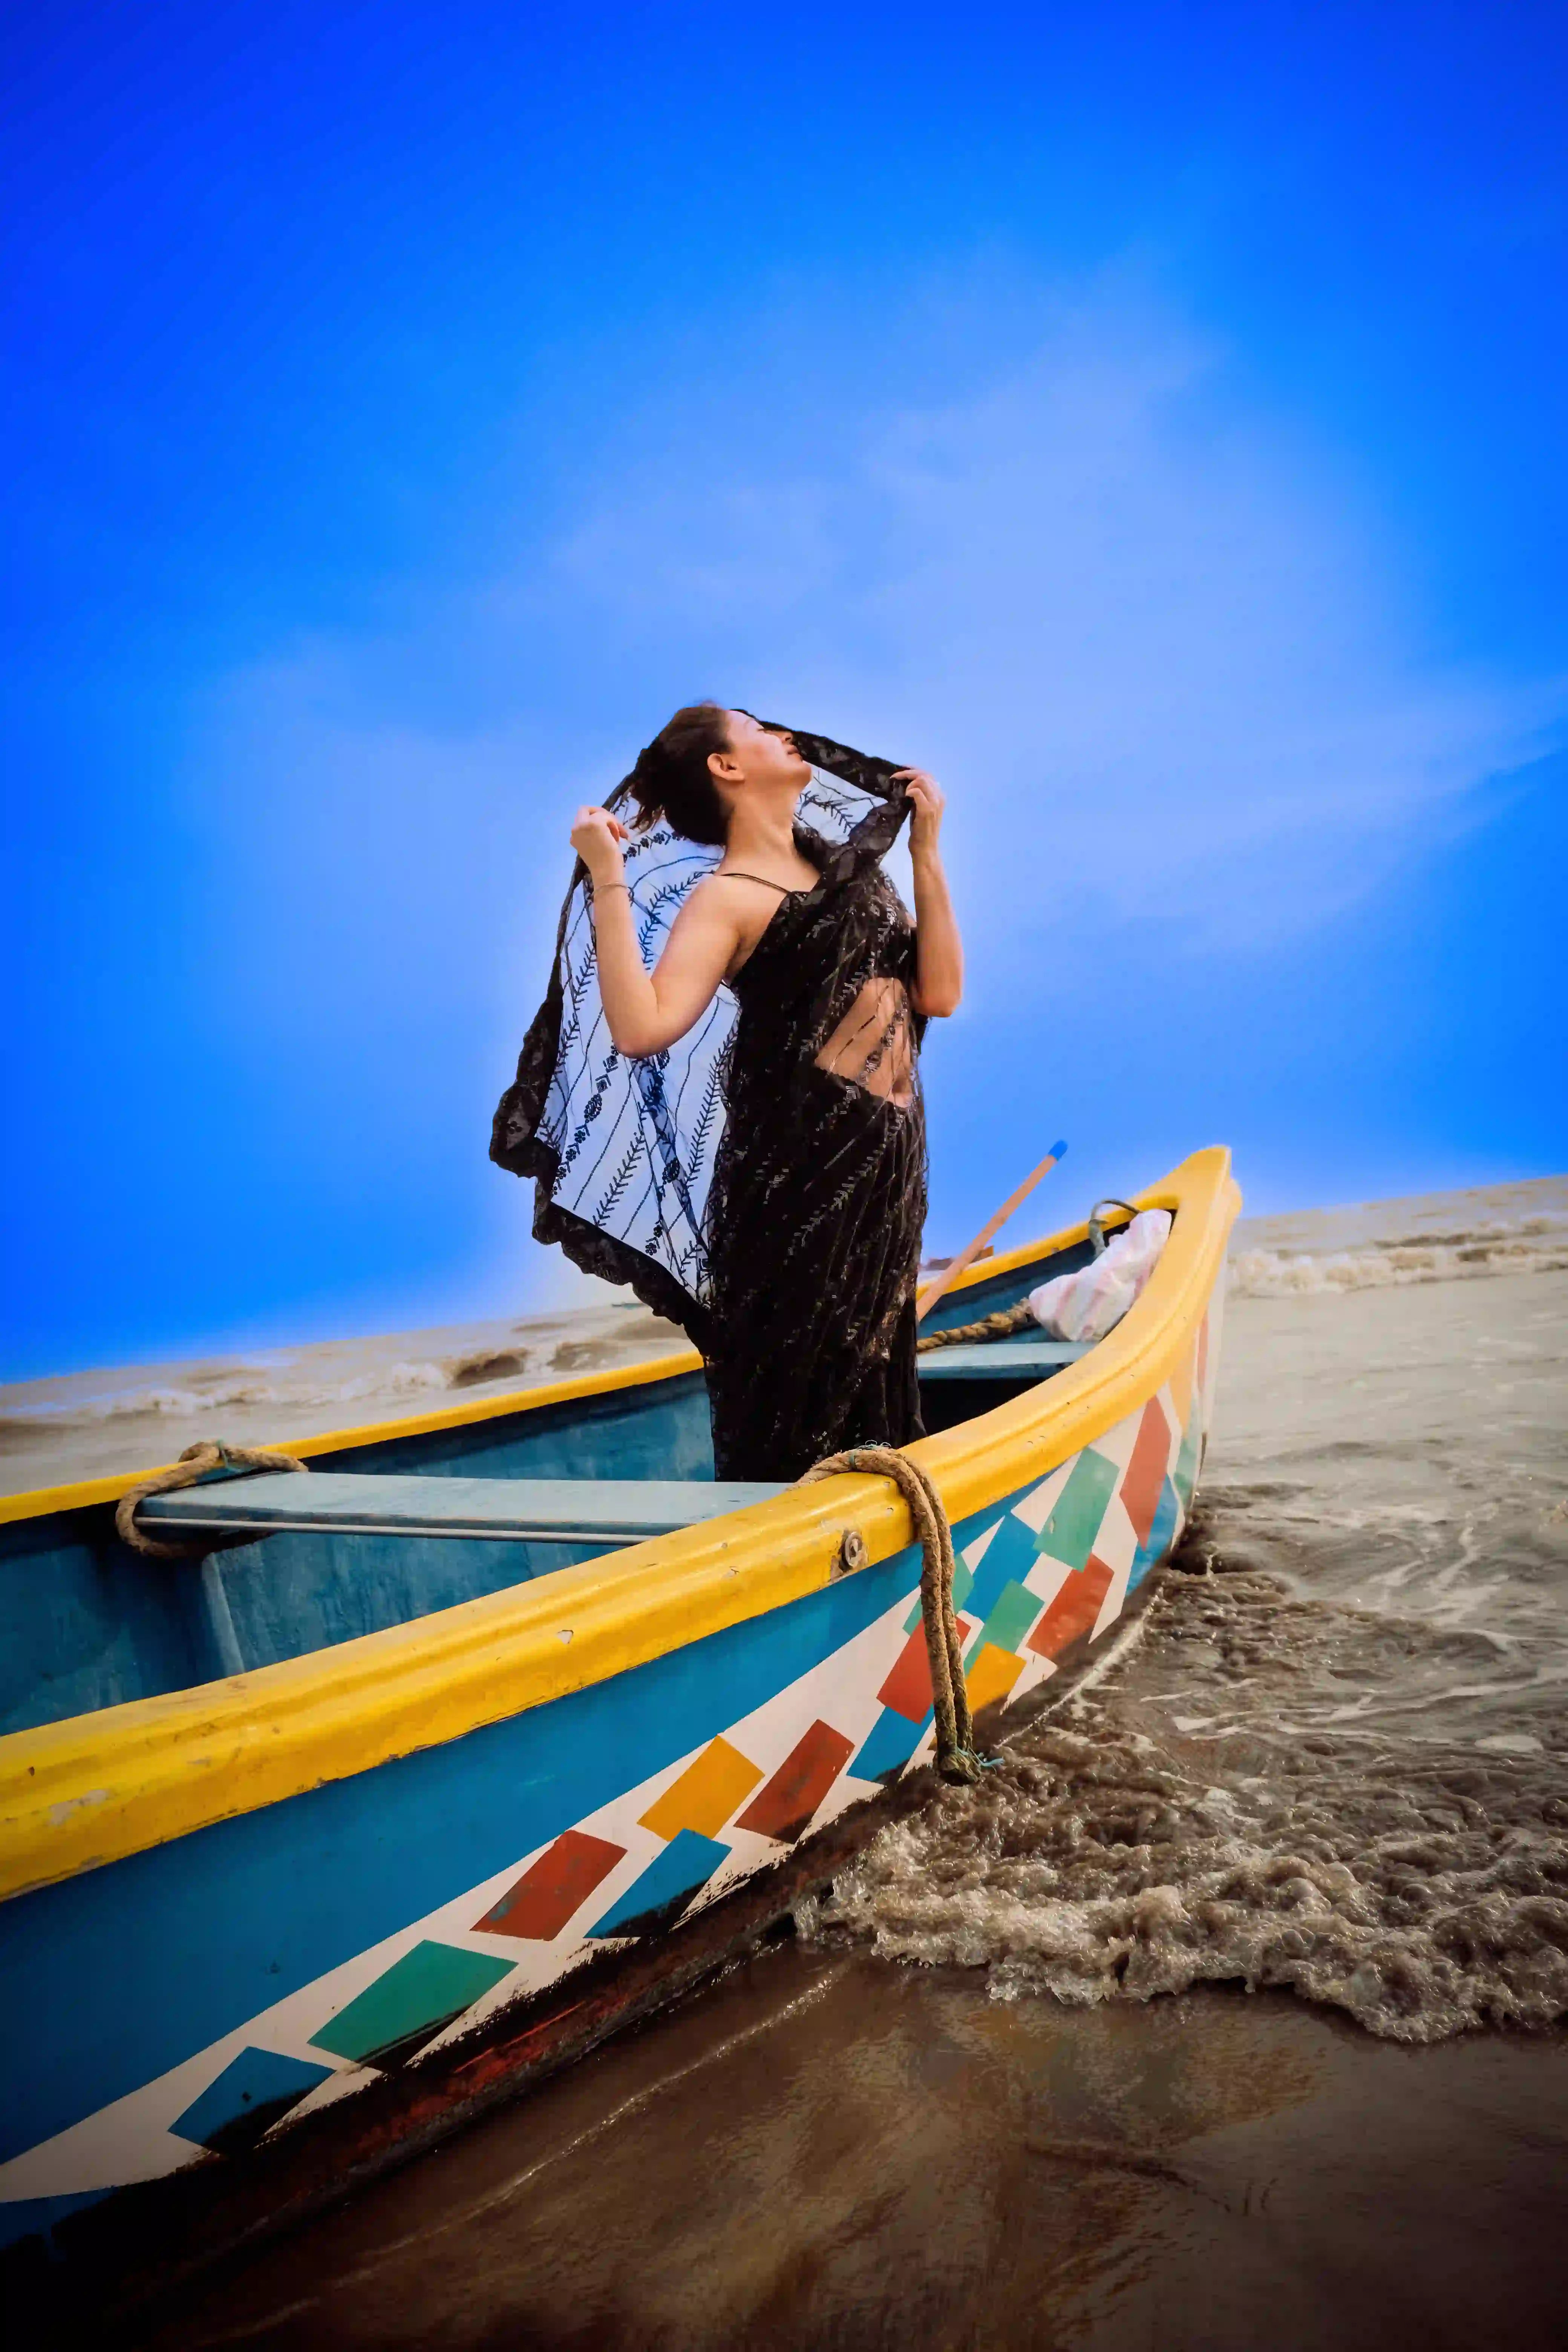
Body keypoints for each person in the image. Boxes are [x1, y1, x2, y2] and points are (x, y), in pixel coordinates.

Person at [492, 705, 963, 1479]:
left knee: (876, 1383)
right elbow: (642, 1027)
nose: (786, 733)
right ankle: (794, 1565)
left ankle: (890, 1571)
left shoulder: (853, 870)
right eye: (756, 729)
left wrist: (927, 851)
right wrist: (608, 879)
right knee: (799, 1396)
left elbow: (938, 992)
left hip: (885, 1170)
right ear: (726, 766)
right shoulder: (727, 897)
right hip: (796, 1180)